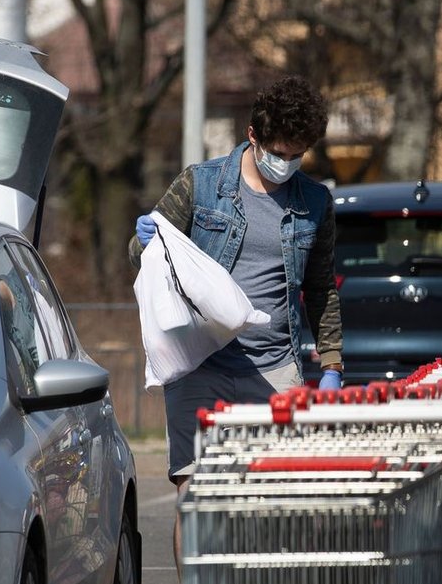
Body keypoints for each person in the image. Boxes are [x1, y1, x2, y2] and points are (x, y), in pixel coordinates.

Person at [127, 74, 344, 577]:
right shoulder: (200, 185)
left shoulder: (314, 204)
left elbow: (321, 289)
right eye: (278, 151)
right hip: (198, 363)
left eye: (297, 154)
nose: (286, 163)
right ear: (252, 135)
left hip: (273, 366)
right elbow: (142, 258)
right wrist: (142, 240)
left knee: (281, 501)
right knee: (196, 495)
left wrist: (330, 363)